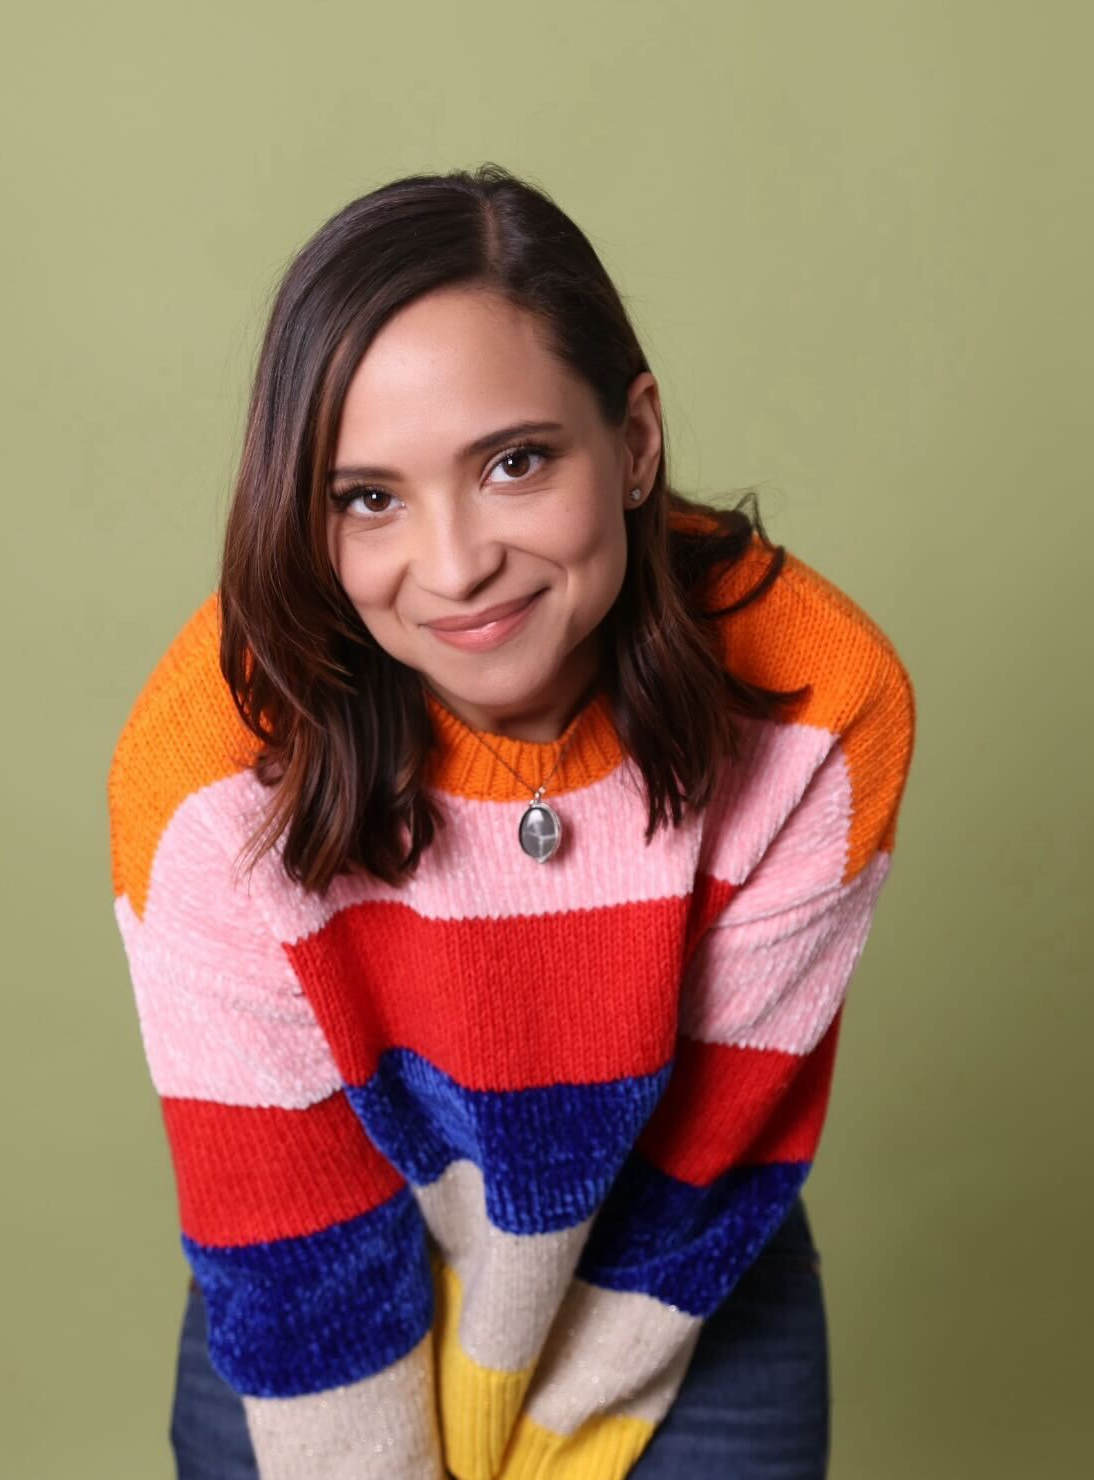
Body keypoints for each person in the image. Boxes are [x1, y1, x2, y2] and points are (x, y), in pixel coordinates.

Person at [107, 163, 916, 1480]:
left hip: (673, 1278)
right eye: (368, 497)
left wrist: (526, 1448)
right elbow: (293, 1219)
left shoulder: (819, 707)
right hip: (323, 1275)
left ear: (635, 442)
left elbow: (701, 1156)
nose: (456, 564)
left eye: (514, 462)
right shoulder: (210, 761)